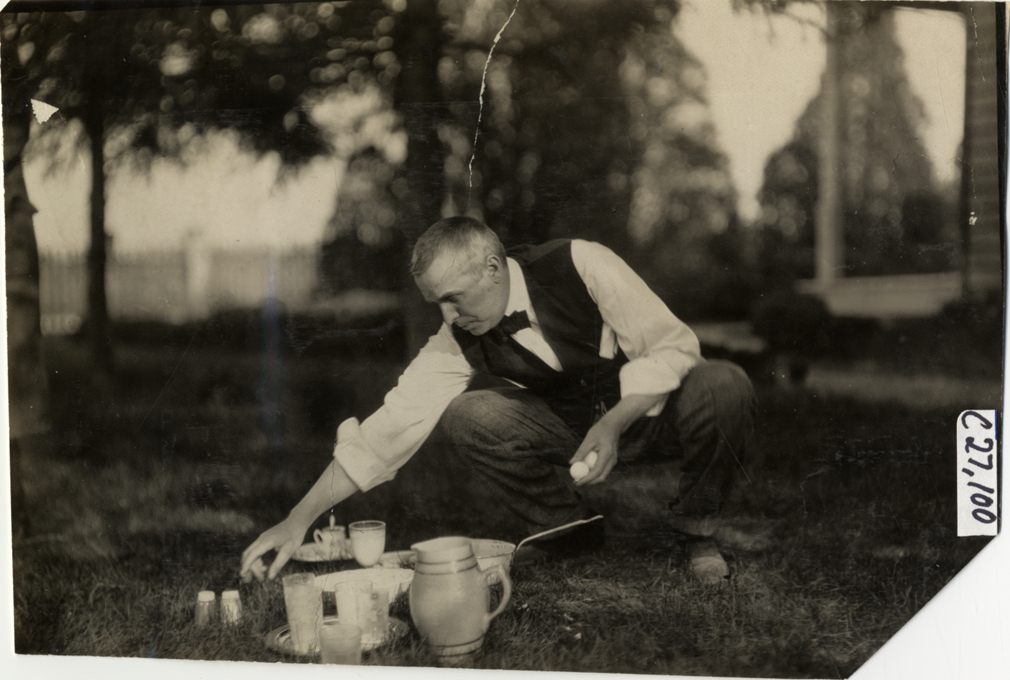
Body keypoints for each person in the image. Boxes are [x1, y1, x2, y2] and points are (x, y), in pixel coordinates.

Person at [240, 217, 755, 584]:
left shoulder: (582, 262)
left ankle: (696, 532)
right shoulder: (457, 335)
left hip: (651, 414)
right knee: (469, 414)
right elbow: (388, 430)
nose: (447, 316)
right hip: (573, 433)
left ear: (492, 266)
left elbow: (674, 347)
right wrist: (298, 519)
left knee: (724, 385)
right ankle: (565, 529)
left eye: (453, 297)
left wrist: (617, 423)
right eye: (435, 303)